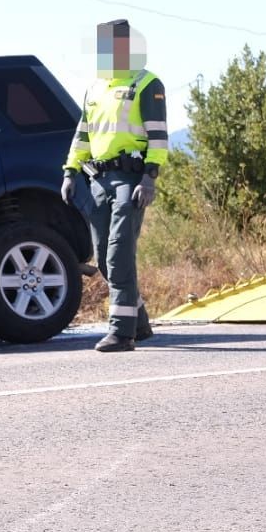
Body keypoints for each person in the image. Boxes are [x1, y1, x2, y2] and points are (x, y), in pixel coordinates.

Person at [61, 20, 169, 353]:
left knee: (120, 254)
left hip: (130, 180)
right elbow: (83, 134)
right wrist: (69, 171)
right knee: (107, 263)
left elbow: (158, 135)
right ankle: (140, 323)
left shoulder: (147, 83)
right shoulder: (95, 88)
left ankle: (122, 333)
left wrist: (150, 177)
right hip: (98, 182)